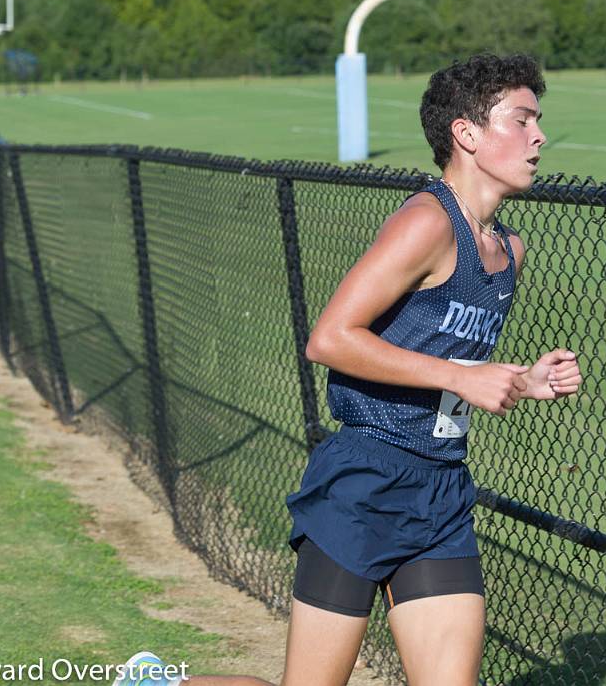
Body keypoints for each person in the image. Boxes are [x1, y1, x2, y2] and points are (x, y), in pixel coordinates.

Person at [131, 53, 581, 686]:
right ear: (468, 134)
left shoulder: (508, 249)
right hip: (364, 481)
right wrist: (459, 379)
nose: (539, 137)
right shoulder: (427, 223)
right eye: (522, 120)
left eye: (540, 121)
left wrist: (521, 380)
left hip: (441, 491)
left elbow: (451, 355)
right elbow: (330, 338)